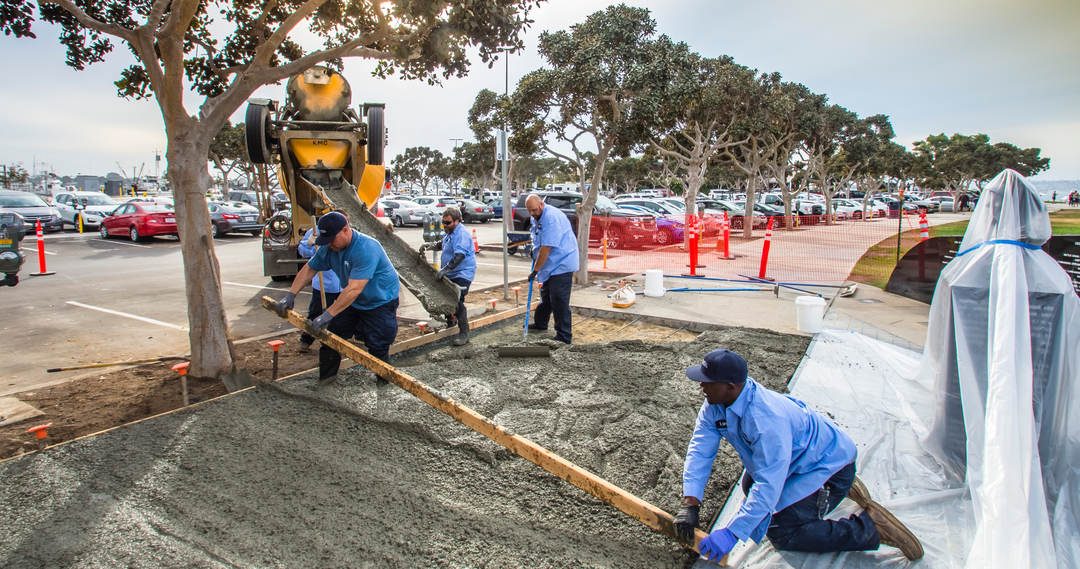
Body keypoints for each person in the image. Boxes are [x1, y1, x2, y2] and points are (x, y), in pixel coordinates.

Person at [673, 349, 923, 563]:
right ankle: (823, 492)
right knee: (750, 485)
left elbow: (770, 484)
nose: (701, 385)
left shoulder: (766, 420)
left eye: (707, 381)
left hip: (826, 463)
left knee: (783, 531)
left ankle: (871, 527)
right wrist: (691, 503)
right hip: (799, 458)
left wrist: (733, 533)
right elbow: (700, 449)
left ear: (729, 388)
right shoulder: (715, 405)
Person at [275, 211, 400, 386]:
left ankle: (384, 383)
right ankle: (326, 380)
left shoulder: (366, 248)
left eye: (332, 240)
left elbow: (354, 289)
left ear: (345, 230)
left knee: (377, 344)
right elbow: (309, 269)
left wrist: (326, 316)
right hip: (353, 300)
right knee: (331, 338)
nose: (329, 245)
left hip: (379, 300)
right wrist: (290, 296)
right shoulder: (329, 248)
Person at [525, 194, 579, 344]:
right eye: (529, 210)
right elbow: (537, 238)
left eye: (534, 210)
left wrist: (535, 270)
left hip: (562, 262)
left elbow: (546, 248)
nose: (532, 213)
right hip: (550, 264)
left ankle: (564, 336)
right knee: (547, 295)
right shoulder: (535, 216)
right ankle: (541, 324)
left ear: (541, 205)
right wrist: (533, 249)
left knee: (559, 300)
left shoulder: (552, 219)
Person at [420, 206, 476, 346]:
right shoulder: (450, 231)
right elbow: (444, 244)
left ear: (457, 221)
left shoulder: (461, 234)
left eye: (447, 223)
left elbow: (459, 255)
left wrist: (444, 270)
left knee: (455, 300)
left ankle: (464, 333)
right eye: (443, 222)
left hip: (463, 273)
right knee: (444, 295)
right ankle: (451, 322)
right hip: (452, 273)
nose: (444, 225)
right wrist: (431, 246)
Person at [296, 226, 342, 354]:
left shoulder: (347, 233)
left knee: (347, 312)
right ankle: (306, 340)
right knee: (315, 313)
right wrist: (309, 243)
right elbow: (303, 252)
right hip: (324, 283)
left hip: (344, 283)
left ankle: (346, 338)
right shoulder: (317, 231)